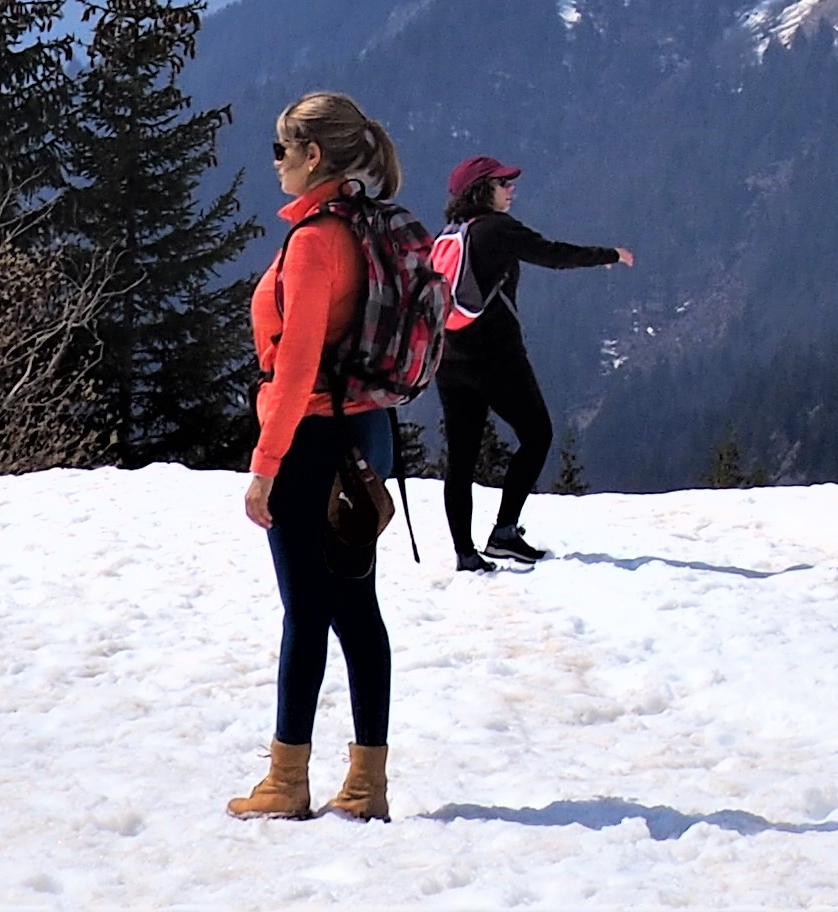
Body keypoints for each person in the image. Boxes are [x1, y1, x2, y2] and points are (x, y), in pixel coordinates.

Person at [232, 90, 405, 823]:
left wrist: (265, 466)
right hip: (363, 436)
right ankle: (367, 784)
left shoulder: (312, 242)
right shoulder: (365, 226)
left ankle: (286, 779)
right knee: (356, 609)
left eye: (281, 149)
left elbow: (296, 361)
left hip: (308, 440)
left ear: (311, 157)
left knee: (305, 612)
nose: (273, 163)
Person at [435, 153, 633, 572]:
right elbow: (554, 254)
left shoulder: (452, 233)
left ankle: (465, 554)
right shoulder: (497, 229)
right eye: (503, 183)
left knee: (462, 458)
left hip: (449, 360)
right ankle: (504, 532)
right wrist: (609, 254)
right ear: (482, 189)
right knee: (537, 434)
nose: (511, 189)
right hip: (497, 357)